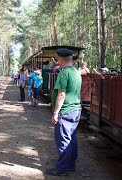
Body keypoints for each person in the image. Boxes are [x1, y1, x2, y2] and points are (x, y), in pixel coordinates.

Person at [46, 48, 82, 176]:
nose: (57, 62)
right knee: (72, 138)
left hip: (66, 111)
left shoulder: (64, 73)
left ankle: (61, 169)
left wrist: (56, 113)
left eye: (58, 59)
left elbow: (61, 95)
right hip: (76, 110)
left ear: (61, 59)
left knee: (63, 140)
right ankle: (70, 165)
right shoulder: (76, 72)